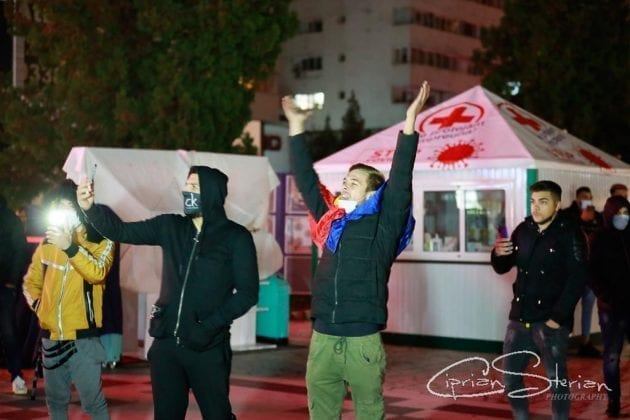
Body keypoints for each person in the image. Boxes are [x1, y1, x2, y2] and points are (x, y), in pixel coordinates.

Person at [282, 80, 430, 420]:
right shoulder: (330, 222)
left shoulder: (384, 226)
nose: (345, 185)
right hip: (322, 336)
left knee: (368, 413)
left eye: (355, 182)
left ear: (372, 194)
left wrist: (410, 123)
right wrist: (296, 127)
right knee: (321, 413)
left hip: (362, 339)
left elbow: (400, 181)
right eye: (346, 180)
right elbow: (306, 181)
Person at [76, 166, 259, 420]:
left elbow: (248, 293)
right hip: (166, 346)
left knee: (217, 415)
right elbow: (121, 231)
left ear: (211, 193)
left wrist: (208, 326)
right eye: (186, 186)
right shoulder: (171, 226)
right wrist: (90, 209)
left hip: (207, 347)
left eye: (194, 187)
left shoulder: (236, 237)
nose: (186, 191)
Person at [492, 180, 587, 419]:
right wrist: (498, 254)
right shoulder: (523, 230)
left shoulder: (569, 233)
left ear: (557, 205)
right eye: (533, 201)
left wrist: (557, 319)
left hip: (551, 322)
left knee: (557, 382)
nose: (536, 207)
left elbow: (578, 278)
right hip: (520, 318)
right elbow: (503, 267)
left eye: (543, 202)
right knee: (510, 378)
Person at [22, 181, 115, 419]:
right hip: (51, 337)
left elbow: (97, 273)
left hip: (83, 338)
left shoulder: (100, 239)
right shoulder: (47, 243)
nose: (63, 211)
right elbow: (30, 283)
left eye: (68, 206)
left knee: (93, 404)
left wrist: (70, 247)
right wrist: (42, 308)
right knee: (55, 403)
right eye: (58, 206)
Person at [589, 195, 630, 417]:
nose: (623, 217)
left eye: (626, 213)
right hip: (611, 308)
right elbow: (591, 272)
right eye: (619, 213)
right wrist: (606, 296)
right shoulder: (599, 238)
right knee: (612, 355)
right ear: (610, 213)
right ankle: (613, 402)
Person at [560, 186, 602, 357]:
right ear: (577, 198)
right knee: (567, 305)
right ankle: (560, 342)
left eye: (589, 197)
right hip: (571, 271)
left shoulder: (596, 216)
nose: (587, 200)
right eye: (584, 197)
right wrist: (582, 220)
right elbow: (564, 236)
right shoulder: (567, 215)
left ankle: (585, 342)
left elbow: (600, 236)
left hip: (590, 270)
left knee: (588, 305)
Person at [0, 194, 28, 395]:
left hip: (4, 284)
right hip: (6, 284)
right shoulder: (11, 218)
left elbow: (20, 251)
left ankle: (17, 375)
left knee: (8, 331)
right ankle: (17, 376)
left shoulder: (9, 219)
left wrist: (12, 280)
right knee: (8, 330)